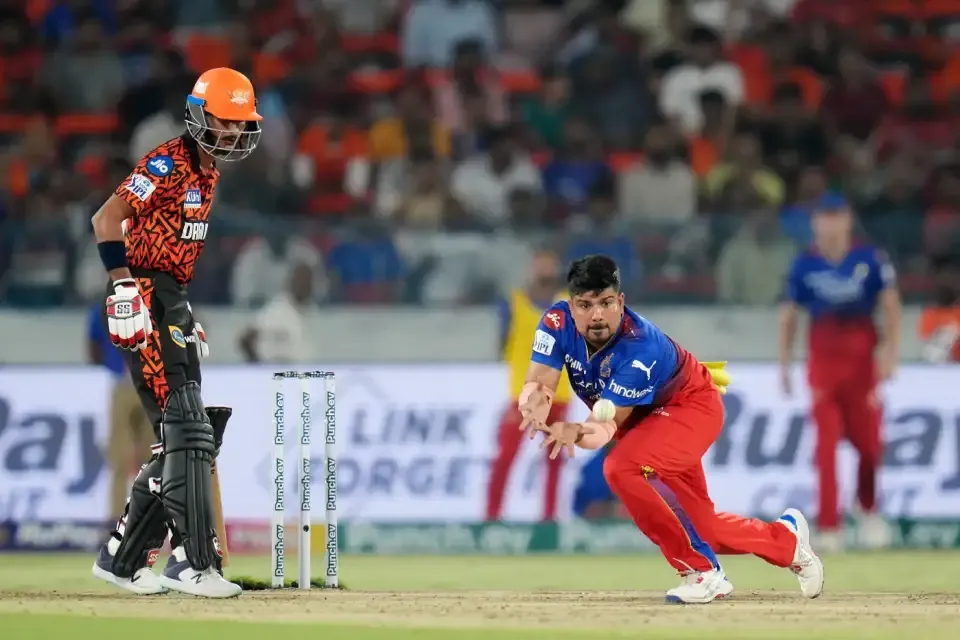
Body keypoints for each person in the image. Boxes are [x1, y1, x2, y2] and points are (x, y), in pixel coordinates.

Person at [518, 255, 823, 604]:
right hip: (649, 423)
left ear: (620, 301)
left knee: (621, 467)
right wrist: (532, 401)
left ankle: (702, 573)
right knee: (702, 527)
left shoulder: (639, 349)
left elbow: (603, 430)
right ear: (571, 306)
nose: (596, 315)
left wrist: (576, 432)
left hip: (690, 407)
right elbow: (538, 383)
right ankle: (787, 540)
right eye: (585, 306)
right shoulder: (556, 321)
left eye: (605, 303)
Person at [90, 67, 263, 598]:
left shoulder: (208, 172)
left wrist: (181, 311)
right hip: (142, 293)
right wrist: (123, 289)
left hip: (168, 298)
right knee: (186, 425)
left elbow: (173, 257)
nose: (231, 133)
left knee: (183, 429)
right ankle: (191, 562)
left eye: (239, 125)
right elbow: (105, 219)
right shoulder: (168, 162)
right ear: (197, 115)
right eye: (222, 121)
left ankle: (121, 559)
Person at [779, 194, 901, 553]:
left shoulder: (869, 259)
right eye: (824, 218)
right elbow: (789, 315)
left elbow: (891, 307)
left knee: (869, 443)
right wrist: (785, 363)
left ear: (847, 220)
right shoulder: (804, 264)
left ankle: (867, 508)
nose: (830, 225)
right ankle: (829, 525)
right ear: (815, 222)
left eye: (836, 217)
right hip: (823, 355)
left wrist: (890, 354)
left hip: (862, 356)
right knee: (826, 443)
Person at [486, 249, 570, 521]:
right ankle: (492, 517)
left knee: (555, 461)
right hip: (524, 395)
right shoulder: (513, 303)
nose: (546, 272)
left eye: (550, 266)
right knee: (506, 457)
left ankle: (549, 518)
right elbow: (502, 342)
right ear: (532, 269)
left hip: (558, 395)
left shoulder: (570, 305)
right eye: (541, 266)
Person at [87, 300, 152, 518]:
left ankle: (150, 522)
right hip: (124, 383)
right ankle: (116, 522)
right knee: (120, 459)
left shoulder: (156, 296)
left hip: (149, 384)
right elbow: (93, 343)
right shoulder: (105, 306)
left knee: (152, 459)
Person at [238, 262, 318, 363]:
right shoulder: (277, 309)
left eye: (307, 281)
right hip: (277, 372)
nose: (303, 285)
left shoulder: (314, 312)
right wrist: (257, 370)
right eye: (300, 280)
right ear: (291, 282)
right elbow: (245, 339)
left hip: (309, 372)